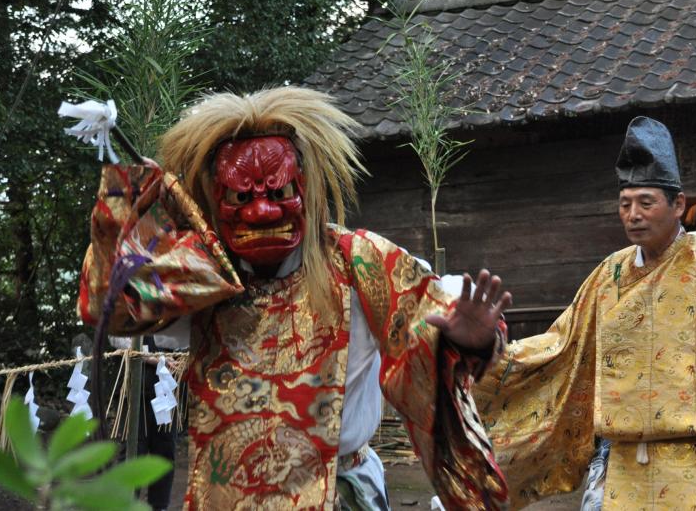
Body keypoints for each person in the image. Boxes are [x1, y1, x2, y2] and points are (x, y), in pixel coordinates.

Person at [78, 87, 511, 510]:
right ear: (216, 196)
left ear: (304, 186)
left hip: (335, 491)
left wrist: (469, 339)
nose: (261, 211)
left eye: (277, 192)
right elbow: (111, 310)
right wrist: (134, 210)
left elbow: (428, 325)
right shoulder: (205, 272)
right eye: (241, 197)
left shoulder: (359, 261)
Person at [475, 117, 696, 509]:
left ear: (677, 205)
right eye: (625, 204)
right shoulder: (611, 273)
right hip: (621, 461)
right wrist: (484, 346)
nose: (633, 214)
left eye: (646, 202)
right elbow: (561, 342)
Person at [109, 326, 187, 511]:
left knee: (165, 450)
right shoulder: (130, 310)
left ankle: (159, 506)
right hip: (137, 389)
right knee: (134, 449)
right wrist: (154, 359)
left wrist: (180, 357)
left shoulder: (173, 311)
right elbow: (115, 337)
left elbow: (185, 339)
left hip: (168, 390)